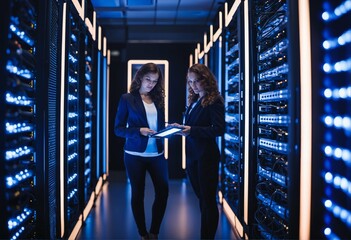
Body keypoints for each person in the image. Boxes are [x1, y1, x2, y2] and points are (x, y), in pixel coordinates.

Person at [114, 62, 168, 240]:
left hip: (157, 154)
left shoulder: (159, 99)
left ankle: (154, 232)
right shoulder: (127, 99)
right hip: (134, 155)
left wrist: (168, 129)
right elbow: (118, 129)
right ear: (140, 78)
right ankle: (143, 233)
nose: (151, 84)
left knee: (163, 191)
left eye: (155, 81)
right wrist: (139, 131)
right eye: (148, 79)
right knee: (138, 194)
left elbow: (158, 125)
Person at [171, 63, 225, 239]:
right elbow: (192, 125)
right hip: (193, 156)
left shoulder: (214, 100)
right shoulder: (194, 101)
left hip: (206, 157)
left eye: (196, 81)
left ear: (206, 80)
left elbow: (218, 129)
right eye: (190, 82)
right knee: (202, 199)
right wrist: (181, 127)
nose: (193, 86)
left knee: (208, 201)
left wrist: (191, 130)